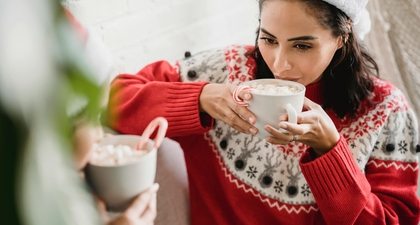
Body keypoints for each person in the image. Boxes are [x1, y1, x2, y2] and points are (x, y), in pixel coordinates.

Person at [106, 0, 420, 224]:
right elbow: (115, 100)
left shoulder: (386, 111)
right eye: (268, 39)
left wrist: (330, 152)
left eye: (302, 46)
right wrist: (202, 97)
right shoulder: (225, 71)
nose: (280, 64)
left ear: (342, 36)